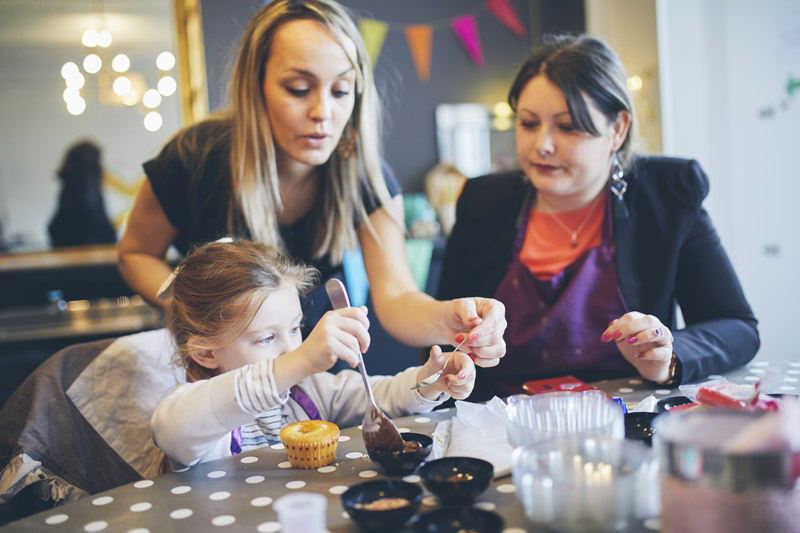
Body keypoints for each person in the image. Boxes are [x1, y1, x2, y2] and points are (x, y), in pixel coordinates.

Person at [117, 0, 505, 368]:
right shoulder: (193, 157)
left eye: (340, 91)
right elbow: (135, 255)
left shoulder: (365, 178)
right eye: (299, 89)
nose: (322, 112)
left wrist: (451, 318)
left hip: (309, 370)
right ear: (257, 86)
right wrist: (200, 313)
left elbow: (397, 298)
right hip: (213, 374)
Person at [438, 34, 759, 402]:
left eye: (568, 126)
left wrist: (669, 356)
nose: (542, 144)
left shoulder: (667, 195)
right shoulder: (483, 201)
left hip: (627, 421)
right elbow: (441, 332)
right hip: (500, 423)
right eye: (528, 123)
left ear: (617, 129)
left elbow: (738, 326)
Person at [151, 239, 474, 467]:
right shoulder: (193, 413)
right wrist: (301, 361)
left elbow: (379, 396)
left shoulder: (307, 393)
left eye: (294, 329)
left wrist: (431, 381)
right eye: (266, 338)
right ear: (206, 354)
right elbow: (173, 430)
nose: (292, 348)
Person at [48, 140, 117, 247]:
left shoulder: (70, 184)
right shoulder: (87, 183)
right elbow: (95, 218)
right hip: (86, 251)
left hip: (68, 247)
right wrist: (110, 237)